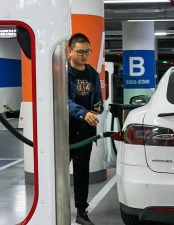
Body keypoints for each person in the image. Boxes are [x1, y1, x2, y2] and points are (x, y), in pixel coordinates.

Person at [68, 33, 103, 225]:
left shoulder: (92, 73)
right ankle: (53, 207)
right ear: (70, 51)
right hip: (64, 131)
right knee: (58, 173)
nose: (84, 55)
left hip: (85, 132)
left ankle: (81, 212)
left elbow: (98, 96)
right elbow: (61, 100)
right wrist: (82, 112)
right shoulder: (61, 71)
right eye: (80, 52)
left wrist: (97, 108)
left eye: (87, 51)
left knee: (82, 173)